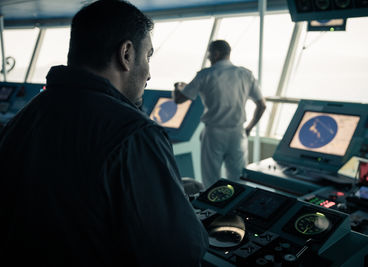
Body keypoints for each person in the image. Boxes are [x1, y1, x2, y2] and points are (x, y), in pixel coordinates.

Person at [0, 1, 208, 266]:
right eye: (148, 56)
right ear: (127, 53)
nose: (149, 74)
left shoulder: (25, 118)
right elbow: (181, 251)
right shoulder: (134, 133)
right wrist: (179, 206)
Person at [173, 40, 266, 189]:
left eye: (209, 53)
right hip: (238, 133)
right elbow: (262, 105)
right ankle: (236, 210)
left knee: (211, 180)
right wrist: (248, 128)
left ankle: (213, 210)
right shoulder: (245, 74)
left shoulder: (205, 75)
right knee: (238, 180)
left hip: (214, 134)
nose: (208, 57)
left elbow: (179, 100)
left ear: (216, 54)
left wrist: (178, 86)